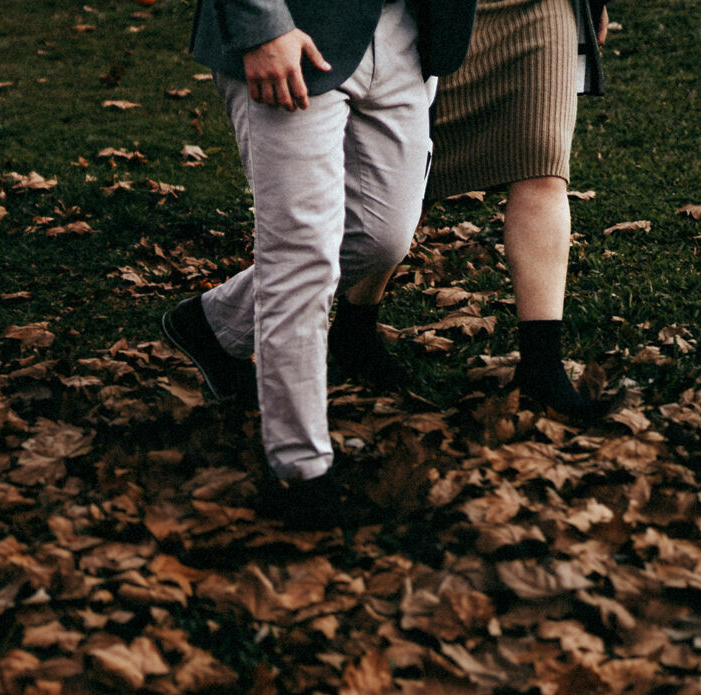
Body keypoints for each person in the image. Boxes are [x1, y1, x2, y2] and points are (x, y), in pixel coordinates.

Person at [160, 0, 478, 529]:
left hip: (405, 31)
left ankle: (214, 323)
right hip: (295, 29)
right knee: (301, 255)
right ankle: (299, 468)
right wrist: (261, 27)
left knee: (381, 238)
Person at [338, 0, 613, 419]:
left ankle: (542, 367)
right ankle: (354, 326)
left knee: (543, 162)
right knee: (413, 177)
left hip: (546, 7)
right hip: (437, 12)